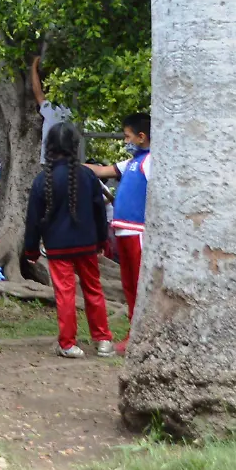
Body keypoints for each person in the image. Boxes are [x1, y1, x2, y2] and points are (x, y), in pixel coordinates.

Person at [26, 123, 113, 357]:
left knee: (65, 294)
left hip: (57, 247)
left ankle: (68, 344)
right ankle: (103, 340)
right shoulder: (88, 176)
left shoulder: (42, 179)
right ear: (75, 146)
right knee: (93, 289)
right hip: (87, 244)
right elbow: (99, 212)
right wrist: (102, 241)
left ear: (49, 147)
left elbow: (33, 219)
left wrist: (31, 250)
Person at [89, 112, 150, 342]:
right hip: (123, 231)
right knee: (128, 284)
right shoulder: (132, 162)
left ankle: (140, 334)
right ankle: (133, 331)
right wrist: (71, 164)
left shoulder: (151, 160)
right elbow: (103, 171)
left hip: (138, 231)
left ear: (141, 137)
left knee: (138, 284)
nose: (126, 142)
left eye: (127, 137)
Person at [28, 52, 73, 164]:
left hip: (50, 163)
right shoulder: (70, 112)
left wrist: (33, 66)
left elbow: (37, 90)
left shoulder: (54, 112)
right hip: (69, 162)